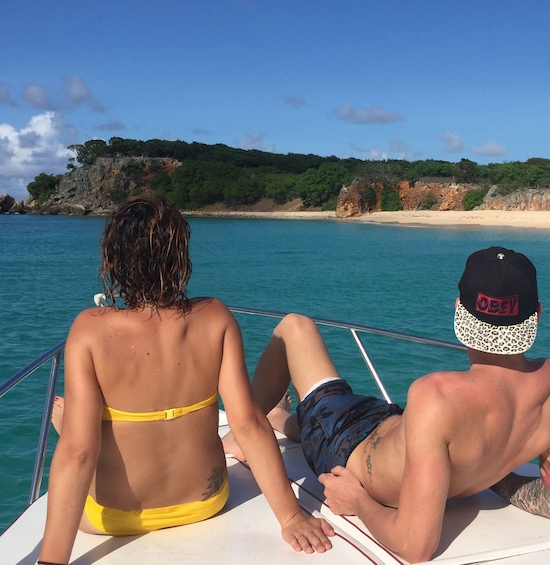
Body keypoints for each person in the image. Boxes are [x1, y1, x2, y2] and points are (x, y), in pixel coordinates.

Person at [227, 246, 550, 563]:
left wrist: (359, 502)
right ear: (536, 314)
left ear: (459, 310)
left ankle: (245, 434)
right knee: (321, 412)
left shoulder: (438, 394)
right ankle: (279, 418)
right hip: (387, 425)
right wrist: (488, 475)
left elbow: (416, 547)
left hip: (344, 445)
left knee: (295, 327)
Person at [37, 197, 333, 565]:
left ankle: (72, 422)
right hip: (205, 503)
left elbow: (79, 454)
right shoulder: (215, 318)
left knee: (77, 431)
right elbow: (249, 423)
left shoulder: (89, 331)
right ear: (181, 257)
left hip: (112, 520)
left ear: (113, 261)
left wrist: (51, 561)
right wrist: (290, 517)